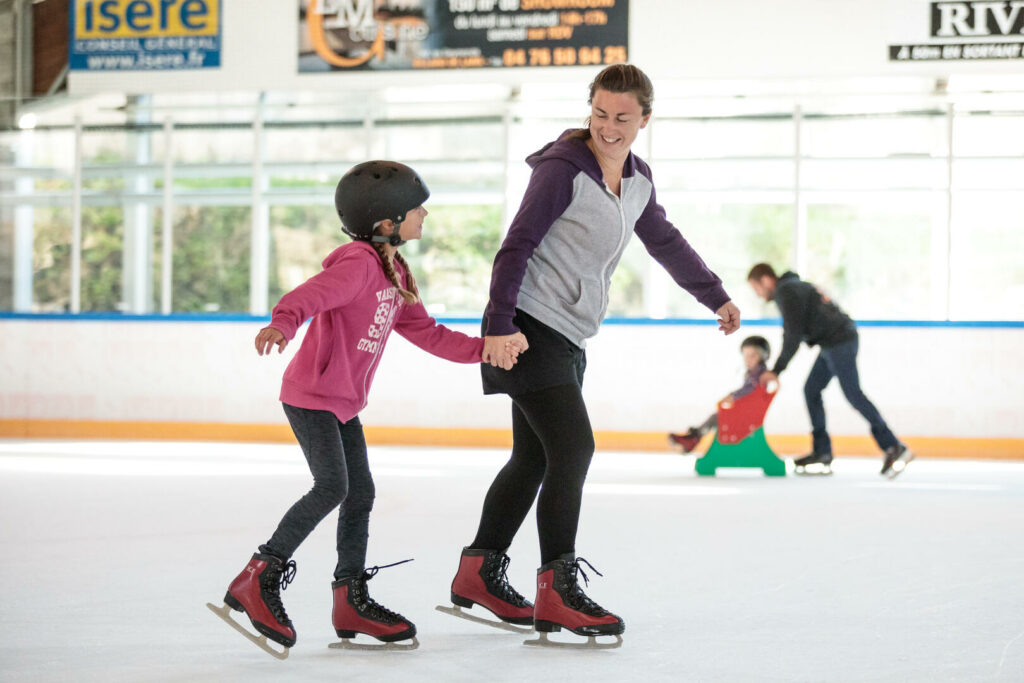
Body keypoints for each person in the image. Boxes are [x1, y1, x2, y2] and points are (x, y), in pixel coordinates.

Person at [443, 64, 741, 644]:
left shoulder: (637, 181)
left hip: (569, 335)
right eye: (600, 114)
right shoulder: (562, 170)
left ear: (644, 120)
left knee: (533, 459)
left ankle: (478, 573)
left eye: (622, 118)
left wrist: (715, 296)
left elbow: (665, 241)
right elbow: (516, 246)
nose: (608, 127)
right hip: (527, 328)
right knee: (574, 448)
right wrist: (500, 324)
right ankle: (557, 590)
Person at [209, 160, 526, 657]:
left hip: (343, 404)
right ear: (386, 223)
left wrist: (484, 349)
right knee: (334, 486)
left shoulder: (394, 270)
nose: (425, 215)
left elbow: (427, 332)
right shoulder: (357, 264)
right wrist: (283, 324)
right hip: (311, 398)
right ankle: (257, 579)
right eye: (416, 209)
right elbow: (307, 296)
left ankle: (349, 600)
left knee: (360, 494)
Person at [746, 263, 913, 476]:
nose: (759, 295)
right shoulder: (795, 286)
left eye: (757, 289)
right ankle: (822, 452)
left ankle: (893, 446)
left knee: (853, 393)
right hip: (833, 342)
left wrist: (776, 370)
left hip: (839, 341)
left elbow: (792, 335)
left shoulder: (785, 291)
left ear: (767, 280)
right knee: (811, 390)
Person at [668, 335, 771, 453]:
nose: (748, 359)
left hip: (747, 416)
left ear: (764, 356)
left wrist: (732, 396)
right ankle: (694, 437)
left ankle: (694, 438)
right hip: (744, 412)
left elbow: (750, 391)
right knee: (717, 416)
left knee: (717, 417)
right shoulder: (754, 373)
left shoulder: (760, 374)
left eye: (753, 356)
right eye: (746, 356)